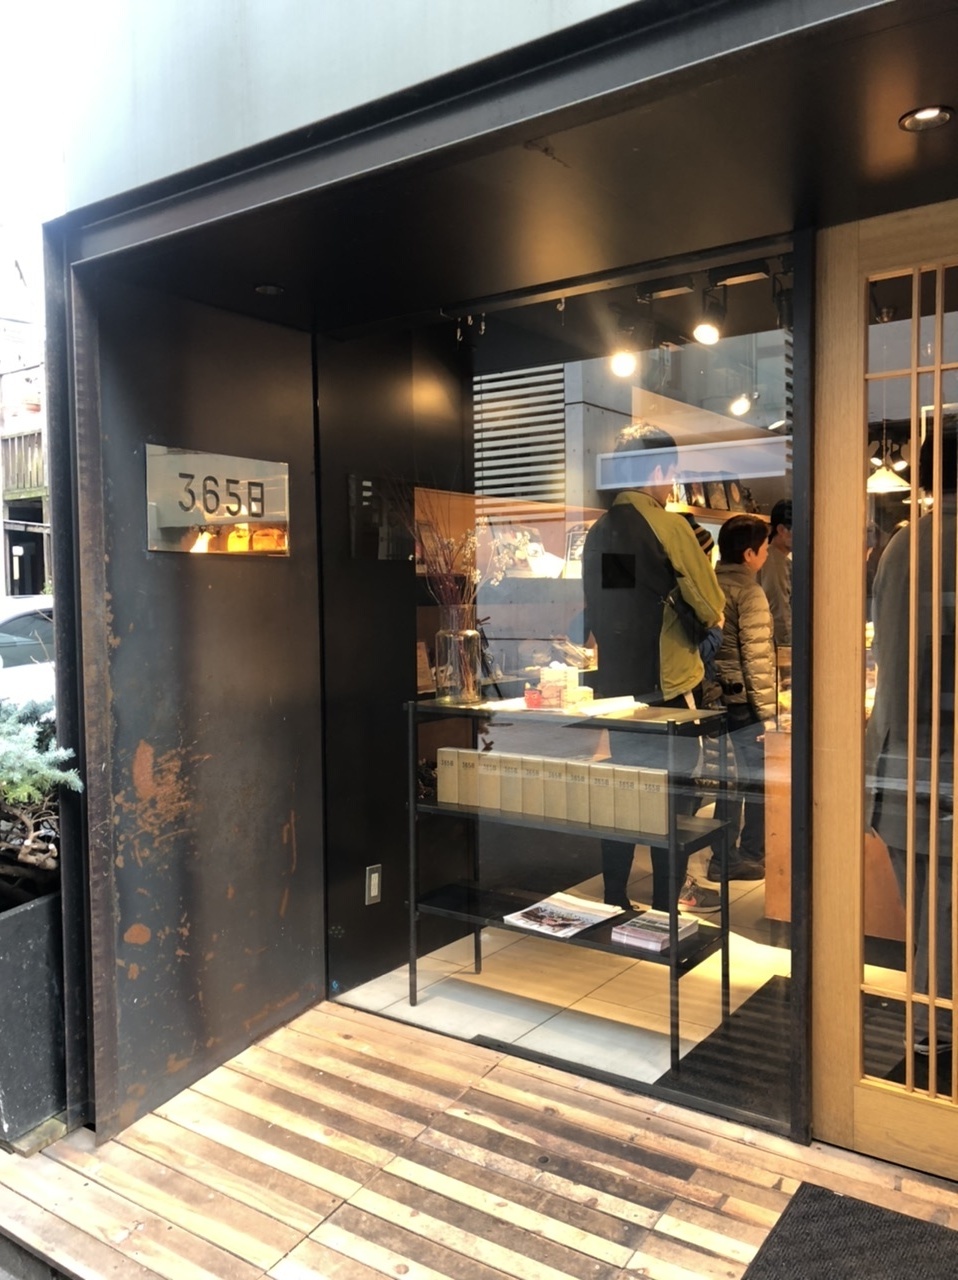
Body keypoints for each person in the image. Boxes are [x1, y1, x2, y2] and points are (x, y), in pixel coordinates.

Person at [582, 424, 725, 914]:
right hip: (669, 687)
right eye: (671, 475)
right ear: (660, 471)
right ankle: (665, 908)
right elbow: (710, 604)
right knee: (674, 799)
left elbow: (615, 603)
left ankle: (614, 898)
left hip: (620, 690)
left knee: (626, 794)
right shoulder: (670, 526)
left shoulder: (602, 530)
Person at [866, 426, 956, 1056]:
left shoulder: (902, 542)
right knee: (945, 910)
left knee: (925, 906)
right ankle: (935, 1031)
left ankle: (928, 1025)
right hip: (944, 758)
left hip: (895, 758)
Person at [708, 515, 776, 881]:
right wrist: (769, 716)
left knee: (727, 779)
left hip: (714, 696)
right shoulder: (749, 591)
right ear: (749, 553)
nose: (766, 554)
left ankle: (725, 855)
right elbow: (757, 657)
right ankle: (747, 853)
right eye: (764, 548)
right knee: (757, 779)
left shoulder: (709, 583)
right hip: (743, 701)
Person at [758, 499, 792, 647]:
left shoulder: (773, 557)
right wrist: (788, 646)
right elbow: (779, 609)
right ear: (781, 530)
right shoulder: (775, 560)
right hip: (773, 646)